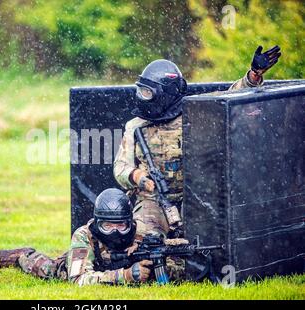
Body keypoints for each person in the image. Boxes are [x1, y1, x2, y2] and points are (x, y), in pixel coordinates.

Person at [113, 45, 281, 238]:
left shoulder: (195, 114)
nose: (142, 97)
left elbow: (229, 99)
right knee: (147, 240)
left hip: (194, 199)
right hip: (153, 200)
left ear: (165, 92)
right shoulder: (135, 126)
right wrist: (138, 177)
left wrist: (252, 76)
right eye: (141, 91)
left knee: (208, 243)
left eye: (147, 92)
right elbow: (120, 167)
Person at [0, 188, 186, 285]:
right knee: (49, 270)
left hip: (112, 266)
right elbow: (78, 279)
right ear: (97, 223)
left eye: (121, 225)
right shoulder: (84, 235)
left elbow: (170, 256)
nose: (115, 232)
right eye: (107, 225)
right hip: (86, 263)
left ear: (130, 222)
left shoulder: (141, 232)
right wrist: (125, 275)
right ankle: (20, 255)